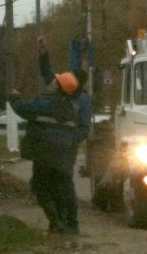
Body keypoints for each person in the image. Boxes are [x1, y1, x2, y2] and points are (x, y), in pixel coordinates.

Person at [9, 69, 82, 234]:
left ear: (57, 87)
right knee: (64, 188)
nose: (52, 83)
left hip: (44, 154)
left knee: (40, 187)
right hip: (64, 156)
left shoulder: (45, 103)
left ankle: (56, 222)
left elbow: (23, 108)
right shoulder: (72, 108)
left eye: (55, 82)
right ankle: (71, 224)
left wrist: (14, 97)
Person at [37, 35, 91, 232]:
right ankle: (59, 222)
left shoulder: (82, 101)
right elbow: (47, 74)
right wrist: (43, 53)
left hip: (65, 148)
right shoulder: (64, 89)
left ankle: (70, 222)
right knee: (52, 183)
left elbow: (84, 127)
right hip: (52, 147)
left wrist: (69, 141)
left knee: (63, 184)